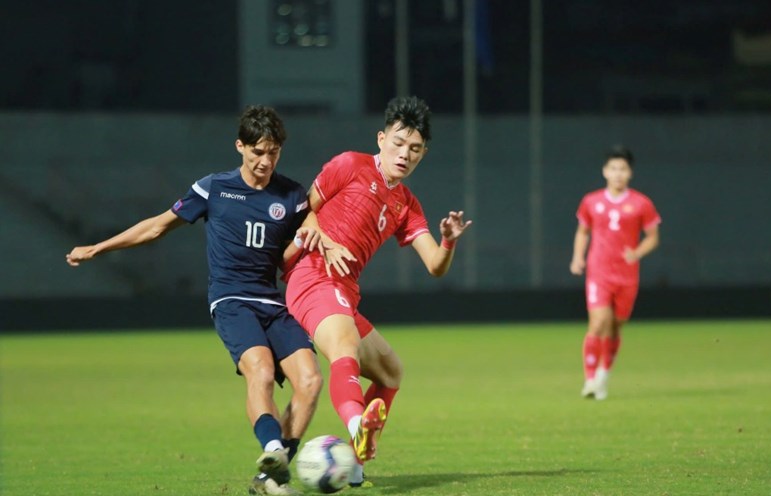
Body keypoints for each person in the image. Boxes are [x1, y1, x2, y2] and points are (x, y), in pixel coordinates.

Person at [66, 105, 323, 496]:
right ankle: (272, 449)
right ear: (240, 146)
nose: (264, 161)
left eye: (272, 152)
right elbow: (156, 227)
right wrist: (98, 248)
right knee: (262, 372)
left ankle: (273, 474)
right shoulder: (213, 189)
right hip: (232, 300)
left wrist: (315, 227)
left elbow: (308, 227)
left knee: (311, 380)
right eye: (257, 152)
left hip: (273, 302)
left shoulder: (291, 194)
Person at [283, 96, 473, 487]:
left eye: (415, 149)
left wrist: (449, 241)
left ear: (424, 154)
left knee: (390, 372)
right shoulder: (350, 164)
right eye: (399, 143)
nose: (405, 154)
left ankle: (352, 465)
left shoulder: (406, 205)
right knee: (346, 348)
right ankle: (357, 427)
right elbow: (303, 208)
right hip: (313, 276)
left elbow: (435, 266)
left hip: (344, 291)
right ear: (382, 138)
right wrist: (316, 231)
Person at [569, 145, 661, 401]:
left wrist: (637, 252)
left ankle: (603, 376)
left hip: (627, 276)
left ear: (630, 173)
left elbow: (653, 237)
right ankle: (589, 380)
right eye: (613, 168)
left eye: (623, 169)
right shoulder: (591, 201)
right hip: (599, 272)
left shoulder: (641, 203)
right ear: (605, 171)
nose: (618, 173)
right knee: (598, 323)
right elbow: (583, 231)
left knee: (615, 328)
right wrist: (577, 257)